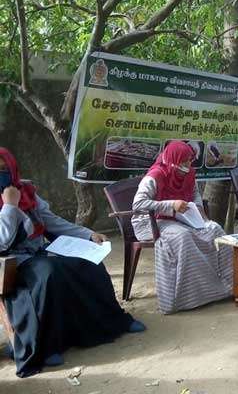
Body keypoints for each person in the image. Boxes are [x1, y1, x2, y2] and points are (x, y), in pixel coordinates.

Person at [0, 147, 144, 377]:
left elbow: (52, 222)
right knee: (49, 273)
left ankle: (114, 321)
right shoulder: (13, 198)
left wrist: (88, 235)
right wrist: (9, 207)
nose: (2, 174)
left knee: (88, 262)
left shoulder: (26, 190)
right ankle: (47, 347)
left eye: (3, 168)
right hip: (11, 261)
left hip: (37, 252)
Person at [132, 141, 232, 314]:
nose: (187, 165)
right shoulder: (155, 176)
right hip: (149, 221)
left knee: (214, 229)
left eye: (189, 161)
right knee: (183, 236)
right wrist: (171, 204)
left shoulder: (189, 174)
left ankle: (226, 285)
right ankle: (189, 296)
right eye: (184, 162)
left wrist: (201, 215)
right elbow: (138, 204)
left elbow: (195, 195)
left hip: (180, 217)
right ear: (173, 160)